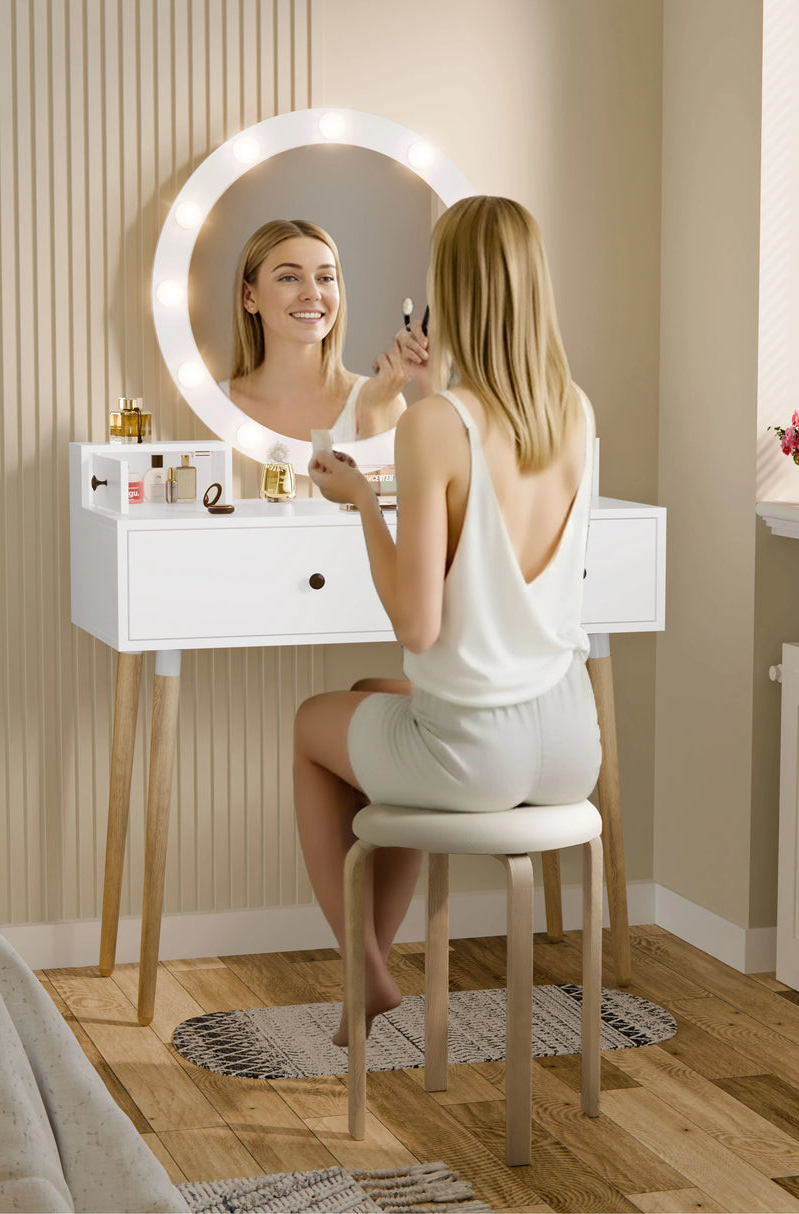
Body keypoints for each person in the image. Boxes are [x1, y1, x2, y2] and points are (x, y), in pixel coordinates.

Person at [294, 195, 603, 1046]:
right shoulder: (573, 411)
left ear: (452, 294)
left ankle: (362, 968)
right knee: (372, 694)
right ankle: (378, 967)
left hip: (478, 756)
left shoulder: (438, 427)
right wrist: (430, 401)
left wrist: (362, 500)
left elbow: (419, 627)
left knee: (312, 725)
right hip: (571, 742)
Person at [221, 219, 407, 443]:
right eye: (289, 277)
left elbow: (387, 480)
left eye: (325, 278)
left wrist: (374, 418)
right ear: (249, 296)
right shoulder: (214, 404)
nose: (313, 293)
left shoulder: (382, 400)